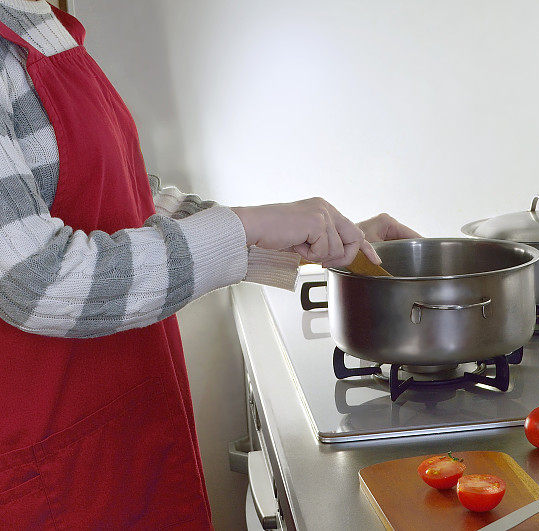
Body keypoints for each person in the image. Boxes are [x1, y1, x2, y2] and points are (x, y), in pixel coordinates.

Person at [0, 1, 418, 527]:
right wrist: (244, 227)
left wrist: (318, 238)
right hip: (51, 475)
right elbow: (34, 282)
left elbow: (131, 204)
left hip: (122, 435)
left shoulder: (37, 24)